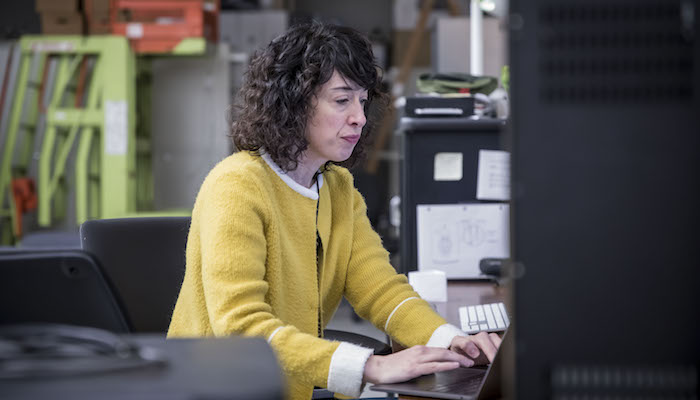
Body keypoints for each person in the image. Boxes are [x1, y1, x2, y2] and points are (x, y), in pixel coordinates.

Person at [167, 21, 501, 400]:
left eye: (361, 101)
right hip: (220, 387)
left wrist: (453, 340)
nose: (359, 117)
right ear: (292, 103)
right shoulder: (237, 186)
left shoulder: (337, 188)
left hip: (290, 383)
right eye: (342, 100)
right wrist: (369, 365)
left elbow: (380, 290)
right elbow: (241, 328)